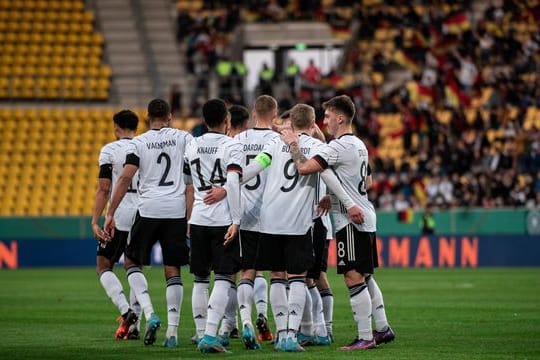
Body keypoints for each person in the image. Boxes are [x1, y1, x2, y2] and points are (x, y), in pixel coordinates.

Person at [241, 103, 363, 352]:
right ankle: (289, 336)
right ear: (312, 124)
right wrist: (350, 203)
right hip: (297, 223)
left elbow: (254, 169)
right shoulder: (319, 147)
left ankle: (281, 333)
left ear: (291, 124)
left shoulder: (274, 145)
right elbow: (329, 177)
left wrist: (229, 182)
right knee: (298, 278)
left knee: (276, 276)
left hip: (270, 220)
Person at [280, 95, 395, 350]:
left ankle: (365, 336)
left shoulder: (337, 146)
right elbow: (368, 183)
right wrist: (332, 199)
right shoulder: (360, 145)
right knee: (365, 277)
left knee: (353, 278)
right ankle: (383, 328)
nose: (325, 121)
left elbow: (304, 168)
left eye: (329, 116)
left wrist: (293, 145)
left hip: (350, 221)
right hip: (365, 214)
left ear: (340, 118)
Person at [104, 99, 192, 348]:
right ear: (170, 116)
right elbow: (192, 176)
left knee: (132, 261)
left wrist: (111, 213)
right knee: (172, 268)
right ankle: (172, 333)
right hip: (175, 210)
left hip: (148, 208)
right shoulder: (184, 137)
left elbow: (125, 178)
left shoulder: (139, 142)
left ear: (147, 117)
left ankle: (150, 313)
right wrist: (190, 215)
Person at [184, 99, 243, 353]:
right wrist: (236, 220)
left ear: (205, 120)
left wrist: (187, 218)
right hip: (222, 220)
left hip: (198, 218)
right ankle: (210, 335)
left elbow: (187, 184)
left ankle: (199, 334)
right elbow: (233, 182)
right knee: (223, 276)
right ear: (226, 121)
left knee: (199, 279)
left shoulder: (192, 145)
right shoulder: (232, 146)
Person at [91, 109, 141, 340]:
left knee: (103, 264)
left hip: (120, 214)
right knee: (134, 267)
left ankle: (125, 310)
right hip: (144, 214)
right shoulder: (143, 146)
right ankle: (134, 327)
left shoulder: (110, 150)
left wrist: (96, 220)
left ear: (116, 128)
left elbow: (104, 188)